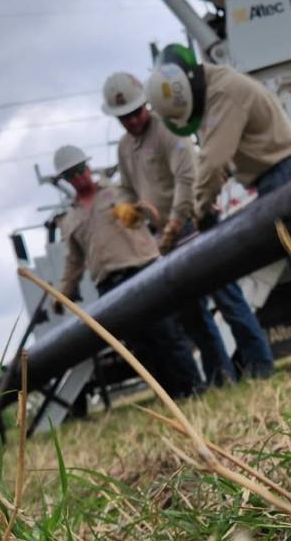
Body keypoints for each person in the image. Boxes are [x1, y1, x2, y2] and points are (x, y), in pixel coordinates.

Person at [145, 48, 291, 362]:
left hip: (286, 174)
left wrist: (201, 209)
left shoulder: (224, 92)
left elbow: (213, 159)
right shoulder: (216, 93)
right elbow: (230, 157)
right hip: (276, 176)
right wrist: (210, 194)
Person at [101, 71, 275, 382]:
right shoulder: (125, 149)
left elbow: (187, 178)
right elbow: (127, 188)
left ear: (146, 106)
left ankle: (260, 366)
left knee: (228, 299)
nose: (132, 122)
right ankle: (220, 375)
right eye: (124, 118)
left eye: (136, 113)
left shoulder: (169, 129)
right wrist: (125, 208)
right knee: (192, 314)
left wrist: (176, 221)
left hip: (195, 224)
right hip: (164, 240)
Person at [48, 144, 205, 400]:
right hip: (110, 285)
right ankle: (169, 397)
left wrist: (140, 211)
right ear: (65, 180)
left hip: (143, 270)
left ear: (88, 167)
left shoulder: (118, 190)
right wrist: (61, 295)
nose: (78, 178)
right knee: (140, 345)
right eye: (70, 175)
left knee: (167, 333)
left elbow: (152, 211)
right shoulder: (70, 219)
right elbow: (74, 262)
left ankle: (194, 388)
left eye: (79, 170)